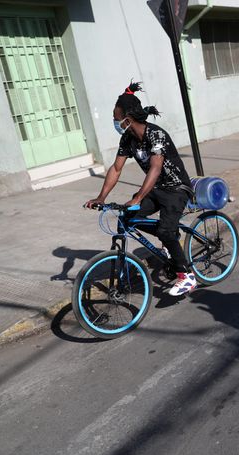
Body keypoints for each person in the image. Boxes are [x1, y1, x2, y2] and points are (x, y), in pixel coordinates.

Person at [85, 82, 197, 296]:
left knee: (164, 230)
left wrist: (137, 197)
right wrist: (101, 197)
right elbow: (116, 169)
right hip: (156, 190)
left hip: (176, 189)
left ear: (127, 119)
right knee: (126, 218)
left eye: (116, 119)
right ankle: (170, 238)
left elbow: (155, 168)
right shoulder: (127, 138)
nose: (115, 123)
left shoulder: (156, 135)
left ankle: (187, 276)